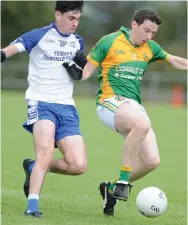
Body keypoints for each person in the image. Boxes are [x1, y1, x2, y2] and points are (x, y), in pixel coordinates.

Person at [63, 8, 188, 216]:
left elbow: (174, 60)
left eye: (153, 33)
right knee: (141, 124)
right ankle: (123, 181)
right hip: (109, 102)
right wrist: (75, 70)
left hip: (133, 107)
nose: (149, 36)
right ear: (134, 24)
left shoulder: (151, 48)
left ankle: (110, 190)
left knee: (151, 161)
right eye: (146, 31)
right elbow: (85, 73)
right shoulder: (109, 41)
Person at [1, 1, 88, 219]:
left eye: (78, 18)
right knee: (46, 152)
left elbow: (76, 76)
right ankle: (32, 206)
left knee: (78, 165)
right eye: (70, 18)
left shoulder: (77, 42)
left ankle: (34, 167)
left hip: (67, 107)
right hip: (41, 103)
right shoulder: (39, 35)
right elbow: (8, 51)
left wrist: (80, 66)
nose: (74, 23)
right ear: (57, 14)